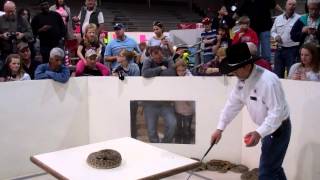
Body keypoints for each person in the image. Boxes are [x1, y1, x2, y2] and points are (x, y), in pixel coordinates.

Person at [211, 43, 291, 180]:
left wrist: (259, 132)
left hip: (278, 129)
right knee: (273, 168)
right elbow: (232, 105)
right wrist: (220, 128)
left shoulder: (268, 81)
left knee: (266, 173)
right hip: (267, 130)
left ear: (247, 65)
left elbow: (276, 113)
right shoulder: (242, 79)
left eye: (235, 69)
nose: (234, 73)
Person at [142, 46, 177, 143]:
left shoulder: (169, 60)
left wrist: (154, 74)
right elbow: (144, 73)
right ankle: (155, 147)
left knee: (172, 124)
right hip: (150, 102)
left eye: (160, 58)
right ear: (152, 56)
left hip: (166, 102)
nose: (158, 59)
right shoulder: (147, 61)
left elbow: (172, 73)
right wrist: (160, 68)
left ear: (162, 54)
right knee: (151, 130)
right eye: (155, 58)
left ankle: (165, 143)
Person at [271, 0, 301, 78]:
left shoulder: (300, 18)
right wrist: (275, 36)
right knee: (277, 74)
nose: (291, 6)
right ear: (285, 6)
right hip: (279, 49)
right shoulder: (278, 18)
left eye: (293, 5)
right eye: (289, 4)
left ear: (296, 7)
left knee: (291, 74)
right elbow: (273, 31)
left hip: (293, 50)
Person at [0, 1, 33, 67]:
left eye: (12, 11)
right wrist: (2, 36)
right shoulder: (0, 20)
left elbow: (31, 34)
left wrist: (22, 35)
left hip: (20, 52)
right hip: (5, 52)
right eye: (8, 12)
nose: (10, 13)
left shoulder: (22, 19)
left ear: (15, 9)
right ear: (4, 10)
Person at [174, 59, 194, 144]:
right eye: (178, 71)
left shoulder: (190, 78)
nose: (181, 73)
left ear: (186, 69)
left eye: (183, 70)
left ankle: (187, 145)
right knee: (178, 127)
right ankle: (178, 145)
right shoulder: (174, 78)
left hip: (188, 108)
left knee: (187, 128)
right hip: (178, 107)